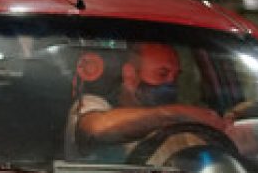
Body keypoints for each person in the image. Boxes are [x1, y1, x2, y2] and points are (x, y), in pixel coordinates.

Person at [72, 41, 231, 161]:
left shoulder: (172, 120)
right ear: (131, 75)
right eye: (162, 74)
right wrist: (176, 113)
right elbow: (97, 128)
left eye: (175, 77)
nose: (171, 84)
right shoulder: (92, 104)